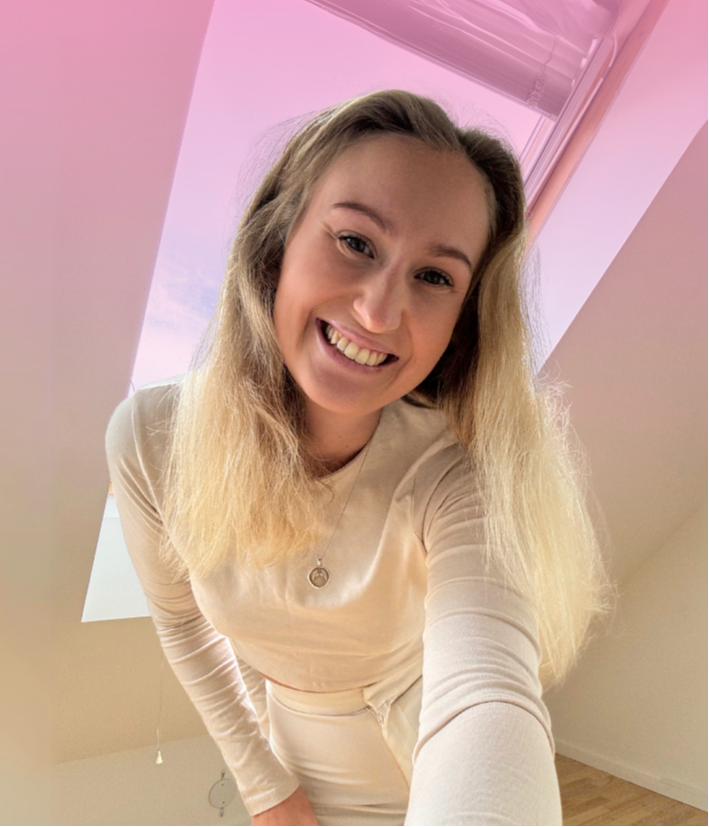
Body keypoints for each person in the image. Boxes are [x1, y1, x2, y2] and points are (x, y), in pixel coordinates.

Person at [105, 90, 615, 826]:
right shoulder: (152, 442)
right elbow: (183, 623)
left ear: (462, 321)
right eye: (355, 241)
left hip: (426, 747)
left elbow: (487, 692)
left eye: (434, 277)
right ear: (277, 238)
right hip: (291, 753)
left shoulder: (459, 469)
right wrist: (264, 785)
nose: (378, 311)